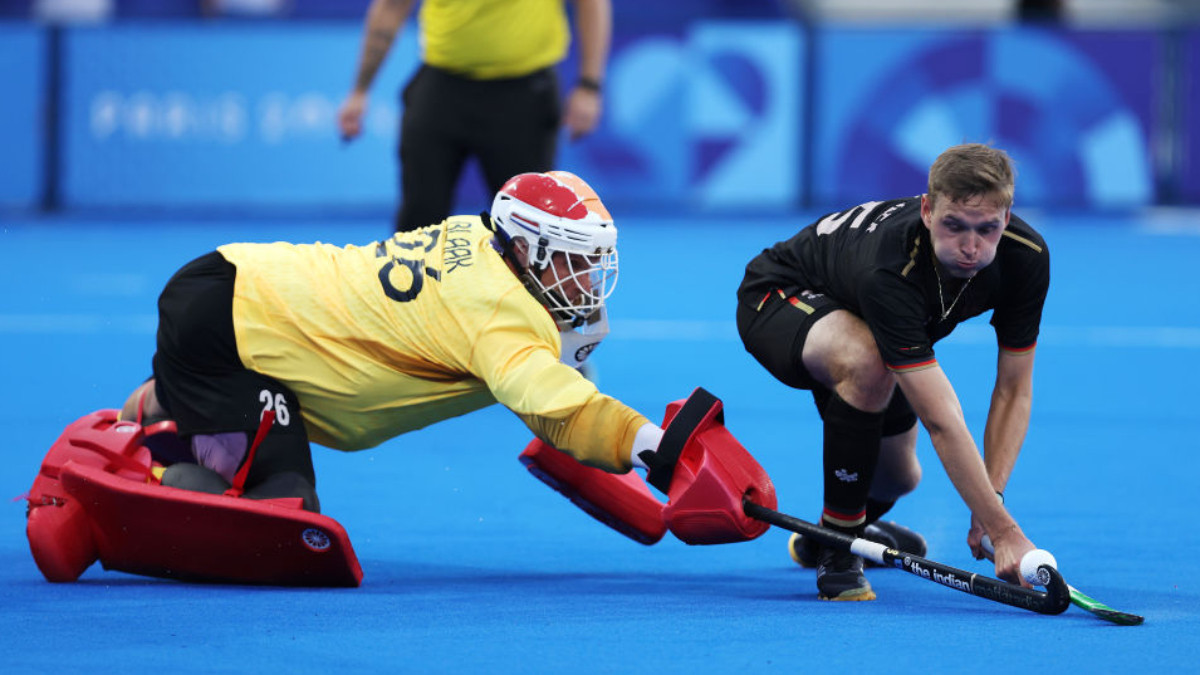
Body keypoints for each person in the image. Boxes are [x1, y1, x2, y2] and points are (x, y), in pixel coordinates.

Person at [45, 171, 773, 585]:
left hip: (237, 296)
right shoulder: (499, 313)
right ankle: (102, 511)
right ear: (528, 249)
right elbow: (560, 407)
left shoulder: (477, 240)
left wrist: (635, 477)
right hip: (230, 324)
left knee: (245, 429)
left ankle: (156, 412)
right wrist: (658, 447)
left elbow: (551, 404)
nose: (587, 278)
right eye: (574, 259)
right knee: (280, 515)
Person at [736, 144, 1050, 601]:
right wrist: (1004, 532)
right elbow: (941, 419)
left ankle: (829, 531)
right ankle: (840, 550)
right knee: (866, 360)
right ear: (927, 210)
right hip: (780, 296)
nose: (970, 246)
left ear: (1007, 215)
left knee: (899, 476)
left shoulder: (1027, 257)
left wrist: (991, 502)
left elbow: (1013, 390)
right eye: (954, 225)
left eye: (987, 229)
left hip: (863, 318)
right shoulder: (892, 268)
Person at [337, 0, 611, 233]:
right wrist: (360, 91)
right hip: (442, 86)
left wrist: (590, 86)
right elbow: (392, 6)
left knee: (527, 227)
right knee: (418, 225)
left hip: (524, 94)